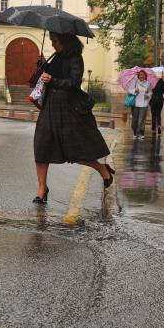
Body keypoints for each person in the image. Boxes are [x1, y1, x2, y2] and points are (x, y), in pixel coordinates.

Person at [33, 32, 113, 204]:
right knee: (41, 145)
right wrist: (43, 65)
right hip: (51, 105)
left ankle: (102, 169)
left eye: (55, 41)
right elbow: (50, 76)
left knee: (75, 151)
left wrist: (52, 79)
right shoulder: (56, 56)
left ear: (64, 40)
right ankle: (42, 189)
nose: (53, 44)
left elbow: (74, 82)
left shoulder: (76, 58)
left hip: (69, 107)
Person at [131, 70, 152, 140]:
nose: (142, 76)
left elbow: (151, 92)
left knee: (141, 120)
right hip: (135, 103)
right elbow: (129, 90)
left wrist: (148, 95)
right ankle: (134, 132)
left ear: (145, 76)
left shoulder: (148, 83)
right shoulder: (135, 82)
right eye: (140, 74)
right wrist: (134, 91)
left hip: (144, 103)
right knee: (135, 120)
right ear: (138, 75)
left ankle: (141, 133)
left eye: (143, 74)